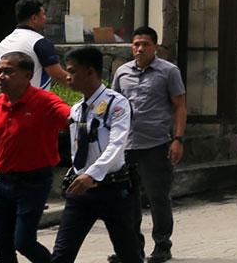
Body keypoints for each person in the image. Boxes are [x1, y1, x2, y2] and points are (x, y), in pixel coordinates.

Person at [0, 52, 72, 263]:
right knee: (2, 245)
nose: (1, 76)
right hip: (2, 182)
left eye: (8, 71)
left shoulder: (45, 102)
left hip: (34, 182)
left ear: (27, 75)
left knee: (24, 242)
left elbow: (73, 118)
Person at [50, 47, 142, 263]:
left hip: (112, 189)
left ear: (90, 72)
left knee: (128, 252)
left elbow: (117, 144)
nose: (67, 77)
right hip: (81, 190)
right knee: (62, 254)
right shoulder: (76, 109)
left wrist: (92, 174)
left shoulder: (116, 104)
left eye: (72, 71)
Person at [110, 27, 186, 263]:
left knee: (158, 197)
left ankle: (162, 245)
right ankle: (132, 247)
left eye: (145, 44)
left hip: (156, 145)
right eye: (136, 44)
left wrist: (178, 139)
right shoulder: (122, 72)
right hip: (127, 146)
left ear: (155, 47)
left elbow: (180, 106)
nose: (140, 48)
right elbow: (114, 106)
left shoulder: (169, 72)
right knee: (127, 200)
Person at [0, 0, 69, 90]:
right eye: (43, 14)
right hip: (36, 102)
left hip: (12, 102)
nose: (45, 19)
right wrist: (82, 85)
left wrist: (5, 93)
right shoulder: (40, 42)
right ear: (34, 18)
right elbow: (57, 74)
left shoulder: (4, 42)